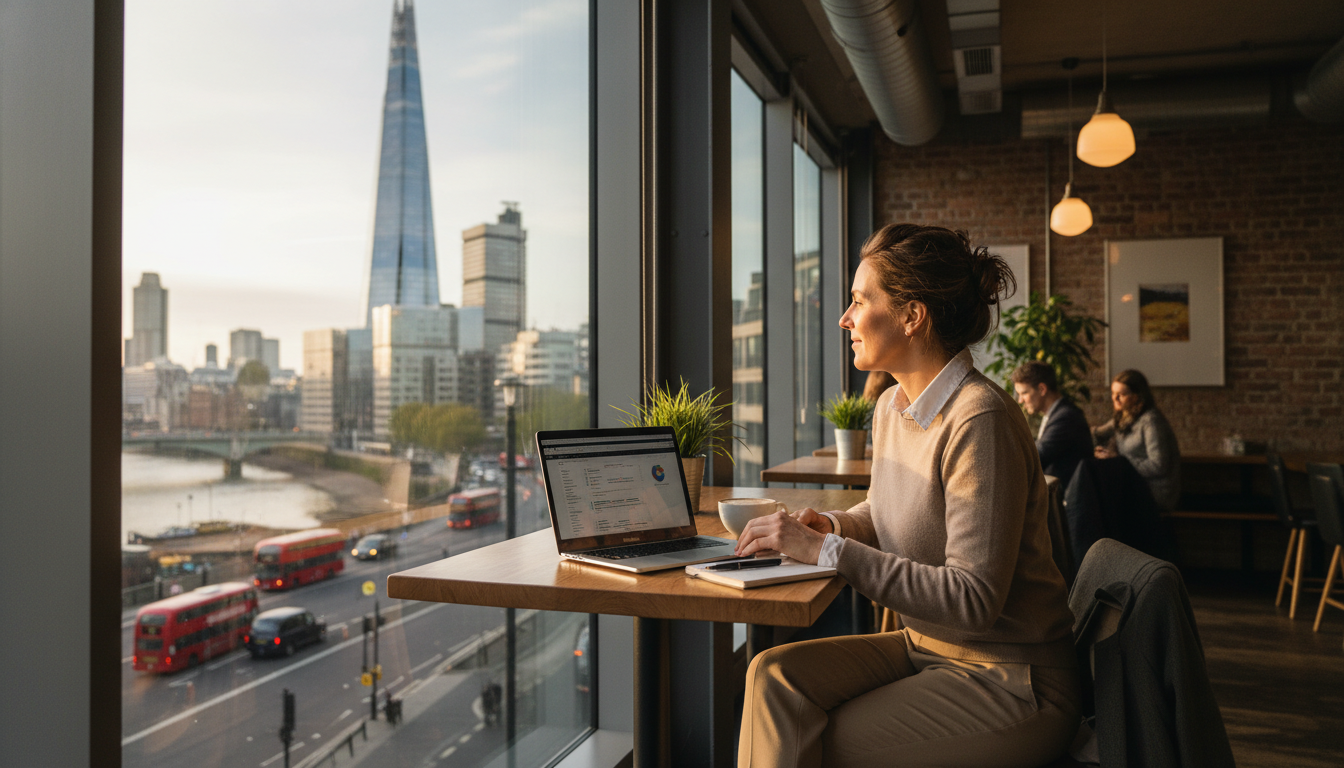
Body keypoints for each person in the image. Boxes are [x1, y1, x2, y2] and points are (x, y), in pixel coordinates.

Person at [734, 224, 1079, 768]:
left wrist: (828, 554)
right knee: (773, 677)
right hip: (925, 646)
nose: (845, 319)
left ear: (912, 316)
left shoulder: (978, 419)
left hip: (1012, 678)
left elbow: (973, 599)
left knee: (809, 737)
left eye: (859, 300)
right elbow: (885, 509)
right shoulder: (892, 407)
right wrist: (833, 527)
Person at [1092, 369, 1181, 512]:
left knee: (1099, 501)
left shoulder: (1151, 421)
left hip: (1155, 493)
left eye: (1121, 395)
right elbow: (1097, 433)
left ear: (1137, 396)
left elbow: (1158, 466)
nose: (1115, 399)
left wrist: (1120, 460)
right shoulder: (1123, 417)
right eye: (1113, 394)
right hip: (1134, 487)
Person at [1011, 361, 1093, 484]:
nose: (1020, 400)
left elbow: (1037, 456)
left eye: (1024, 393)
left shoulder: (1066, 417)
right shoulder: (1055, 414)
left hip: (1066, 498)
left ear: (1042, 389)